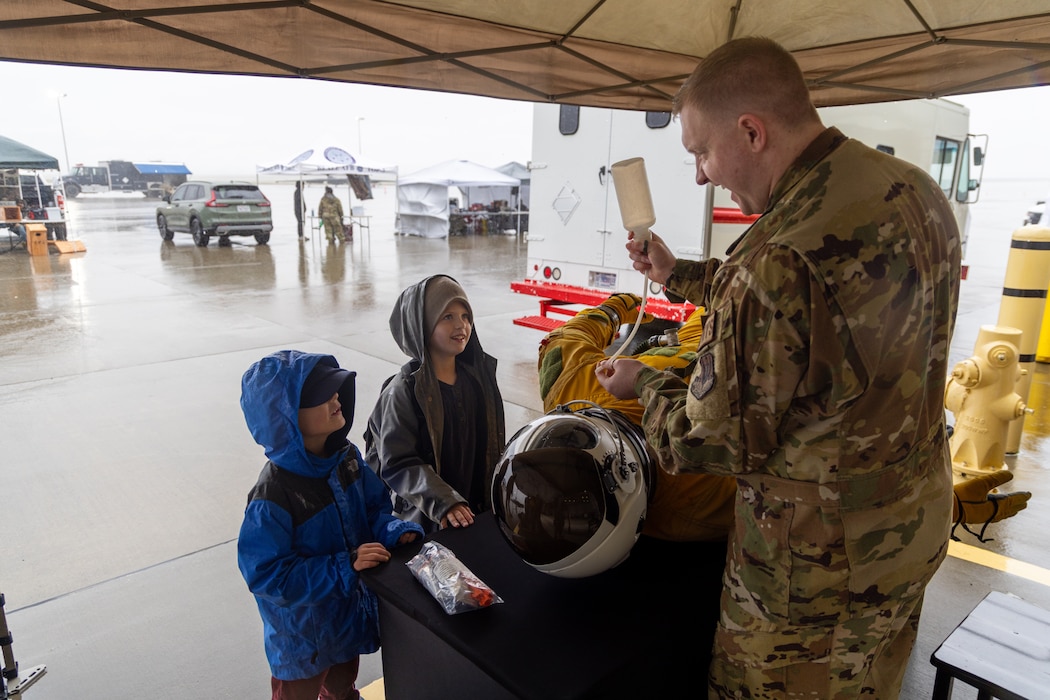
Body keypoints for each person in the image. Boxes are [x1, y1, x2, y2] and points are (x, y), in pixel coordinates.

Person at [593, 36, 964, 698]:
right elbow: (823, 314)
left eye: (701, 152)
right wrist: (679, 274)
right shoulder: (910, 189)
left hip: (814, 580)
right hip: (908, 530)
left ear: (752, 132)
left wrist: (646, 380)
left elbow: (702, 440)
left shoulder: (775, 258)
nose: (702, 174)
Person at [237, 350, 423, 700]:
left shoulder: (347, 458)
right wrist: (344, 566)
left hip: (343, 617)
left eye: (335, 388)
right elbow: (266, 574)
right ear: (286, 417)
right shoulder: (273, 496)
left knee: (341, 686)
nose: (336, 397)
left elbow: (373, 510)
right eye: (321, 395)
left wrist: (394, 532)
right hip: (302, 639)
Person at [365, 274, 506, 534]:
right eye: (447, 317)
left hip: (476, 513)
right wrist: (444, 502)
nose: (461, 325)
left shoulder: (478, 380)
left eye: (466, 316)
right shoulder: (403, 391)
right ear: (421, 325)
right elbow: (398, 462)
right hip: (429, 520)